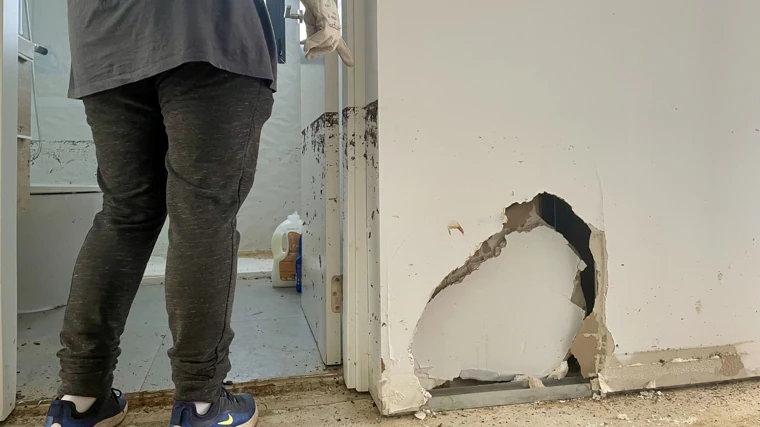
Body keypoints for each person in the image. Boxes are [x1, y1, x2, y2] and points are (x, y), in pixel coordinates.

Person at [42, 1, 353, 427]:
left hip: (104, 38)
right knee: (203, 214)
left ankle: (79, 398)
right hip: (209, 31)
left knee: (123, 215)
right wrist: (323, 13)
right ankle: (201, 401)